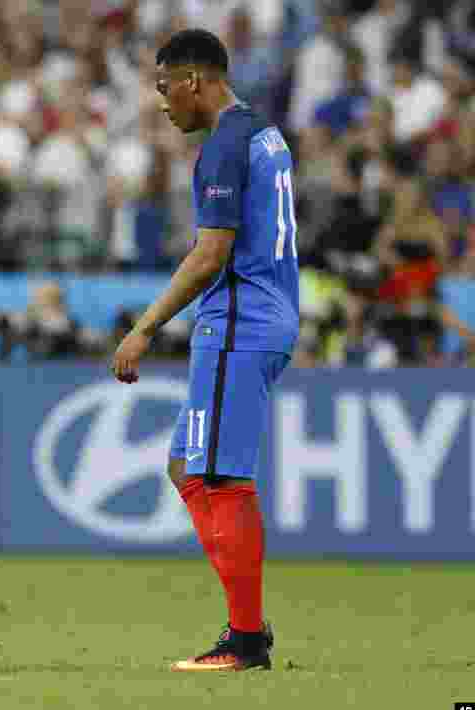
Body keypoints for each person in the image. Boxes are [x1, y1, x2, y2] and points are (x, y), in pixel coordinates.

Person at [112, 30, 299, 672]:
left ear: (194, 80)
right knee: (186, 467)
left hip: (239, 318)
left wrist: (144, 327)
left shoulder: (224, 146)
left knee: (220, 477)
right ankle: (246, 624)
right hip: (270, 310)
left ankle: (245, 641)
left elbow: (209, 255)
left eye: (165, 88)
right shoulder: (264, 133)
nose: (162, 103)